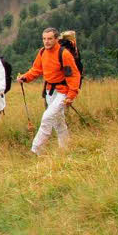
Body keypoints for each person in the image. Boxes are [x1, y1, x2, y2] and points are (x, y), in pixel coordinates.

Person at [18, 27, 81, 155]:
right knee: (58, 123)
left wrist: (71, 95)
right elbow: (36, 70)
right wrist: (25, 77)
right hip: (49, 91)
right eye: (44, 39)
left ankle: (35, 150)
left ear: (56, 39)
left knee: (47, 118)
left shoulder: (64, 54)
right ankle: (65, 149)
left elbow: (74, 75)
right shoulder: (42, 52)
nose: (46, 42)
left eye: (50, 39)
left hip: (62, 92)